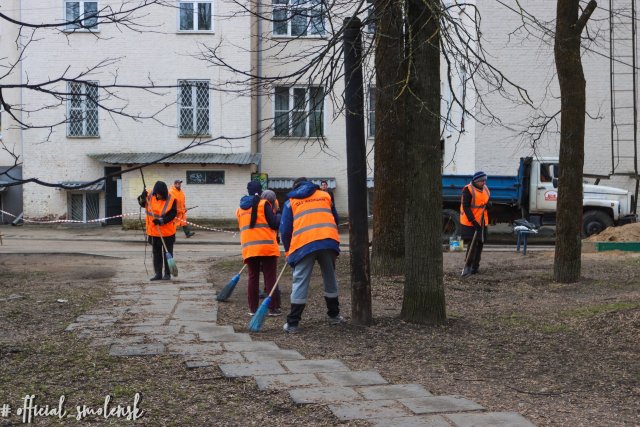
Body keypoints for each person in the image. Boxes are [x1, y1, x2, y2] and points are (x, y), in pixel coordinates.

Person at [280, 177, 342, 333]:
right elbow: (336, 219)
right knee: (330, 277)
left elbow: (285, 231)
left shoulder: (290, 202)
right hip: (328, 241)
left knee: (300, 281)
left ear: (295, 187)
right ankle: (334, 315)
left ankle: (293, 323)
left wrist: (288, 252)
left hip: (304, 245)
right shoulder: (325, 196)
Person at [237, 181, 282, 316]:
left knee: (252, 278)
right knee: (270, 277)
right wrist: (278, 214)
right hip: (266, 247)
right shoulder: (264, 204)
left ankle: (253, 309)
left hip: (249, 249)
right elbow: (274, 224)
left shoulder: (240, 209)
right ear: (261, 192)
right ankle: (272, 308)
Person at [138, 181, 177, 281]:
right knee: (156, 254)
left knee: (167, 253)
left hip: (168, 232)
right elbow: (142, 203)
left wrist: (161, 221)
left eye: (161, 195)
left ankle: (167, 274)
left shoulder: (171, 199)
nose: (159, 196)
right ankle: (158, 274)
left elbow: (172, 214)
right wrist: (142, 197)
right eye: (158, 194)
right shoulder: (149, 194)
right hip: (153, 231)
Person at [460, 171, 490, 277]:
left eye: (485, 181)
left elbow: (485, 200)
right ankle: (468, 266)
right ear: (476, 181)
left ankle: (475, 266)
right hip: (470, 221)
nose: (484, 183)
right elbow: (466, 207)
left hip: (482, 220)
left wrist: (489, 204)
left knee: (480, 243)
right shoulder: (468, 190)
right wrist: (473, 221)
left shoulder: (485, 188)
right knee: (472, 244)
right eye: (482, 181)